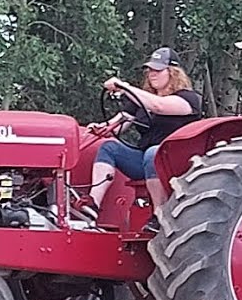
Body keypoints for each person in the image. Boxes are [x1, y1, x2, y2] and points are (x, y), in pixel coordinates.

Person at [78, 46, 203, 231]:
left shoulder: (188, 99)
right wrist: (101, 128)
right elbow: (119, 123)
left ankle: (160, 215)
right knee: (108, 147)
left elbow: (159, 106)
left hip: (176, 163)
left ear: (173, 72)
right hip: (146, 160)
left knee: (154, 152)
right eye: (150, 70)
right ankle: (92, 204)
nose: (152, 74)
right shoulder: (141, 103)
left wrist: (125, 87)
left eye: (158, 70)